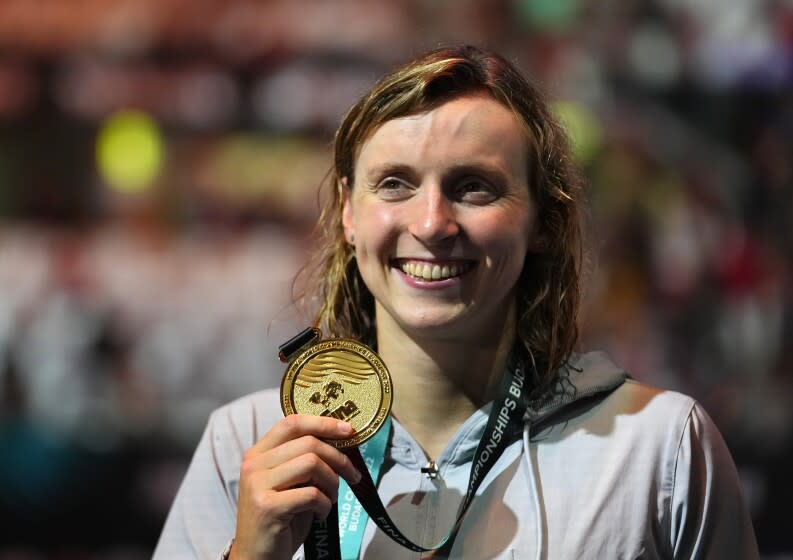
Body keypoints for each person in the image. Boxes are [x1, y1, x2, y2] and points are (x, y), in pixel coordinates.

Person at [153, 45, 759, 559]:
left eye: (475, 187)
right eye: (395, 183)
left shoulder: (658, 449)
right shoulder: (246, 444)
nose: (433, 222)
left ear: (543, 221)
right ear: (348, 212)